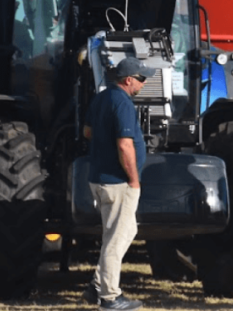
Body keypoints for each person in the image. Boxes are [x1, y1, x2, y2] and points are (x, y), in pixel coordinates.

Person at [81, 57, 156, 311]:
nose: (144, 84)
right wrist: (134, 180)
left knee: (126, 232)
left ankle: (95, 287)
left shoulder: (101, 98)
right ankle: (110, 297)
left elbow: (87, 132)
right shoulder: (123, 103)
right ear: (129, 80)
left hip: (99, 178)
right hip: (118, 182)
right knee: (115, 239)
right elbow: (125, 145)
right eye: (141, 79)